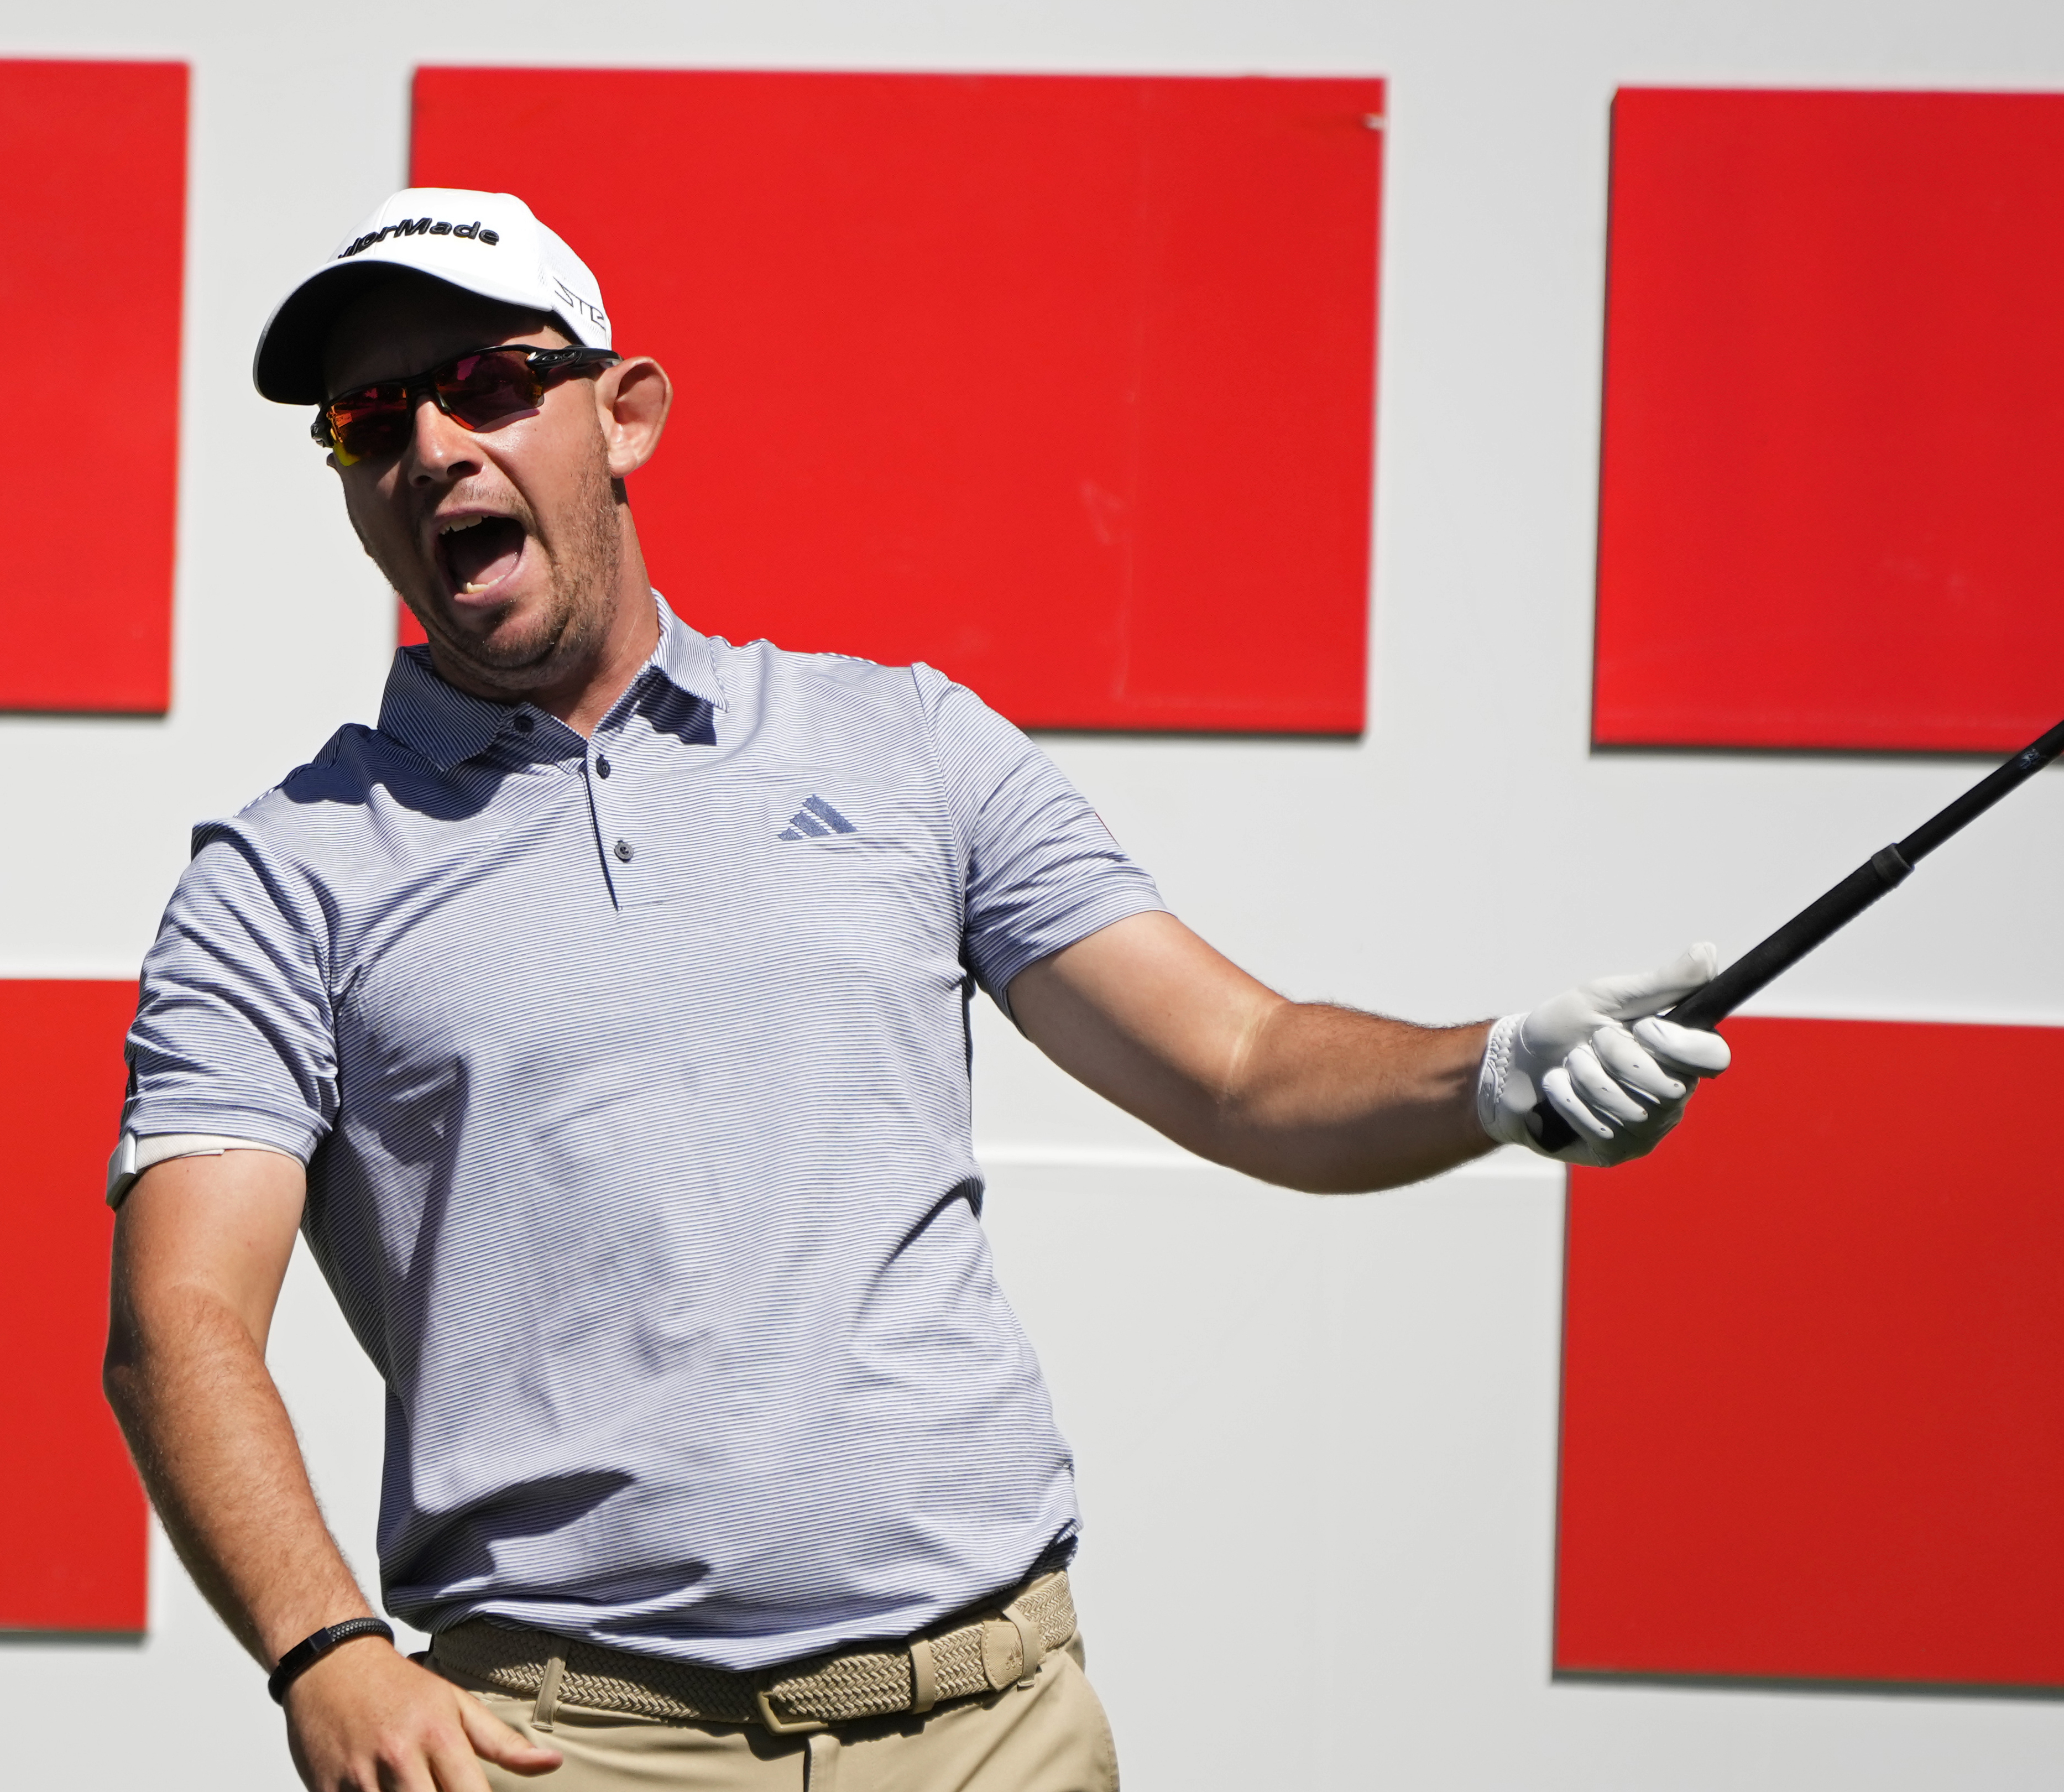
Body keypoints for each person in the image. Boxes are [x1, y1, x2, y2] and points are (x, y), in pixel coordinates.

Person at [100, 187, 1731, 1792]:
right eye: (372, 420)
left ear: (627, 416)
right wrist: (325, 1649)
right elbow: (181, 1318)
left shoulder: (903, 743)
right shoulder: (280, 873)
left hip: (990, 1729)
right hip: (572, 1746)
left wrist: (1496, 1072)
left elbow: (1240, 1065)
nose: (433, 446)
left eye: (488, 384)